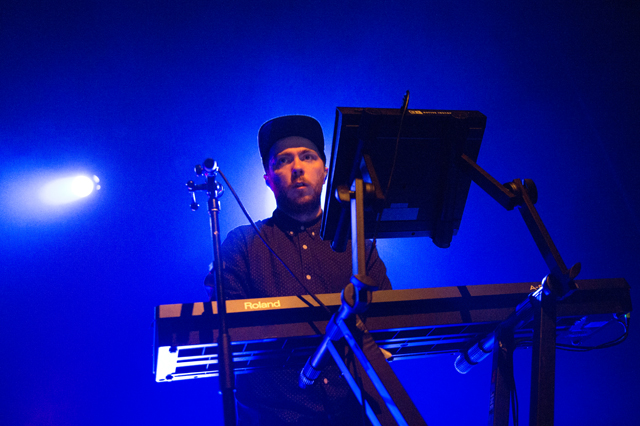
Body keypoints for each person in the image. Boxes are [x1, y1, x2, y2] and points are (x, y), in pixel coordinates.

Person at [211, 115, 392, 425]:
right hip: (272, 417)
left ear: (325, 172)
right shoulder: (241, 244)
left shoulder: (358, 246)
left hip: (355, 415)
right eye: (283, 160)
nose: (297, 168)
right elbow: (227, 328)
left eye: (307, 157)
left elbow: (388, 324)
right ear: (268, 179)